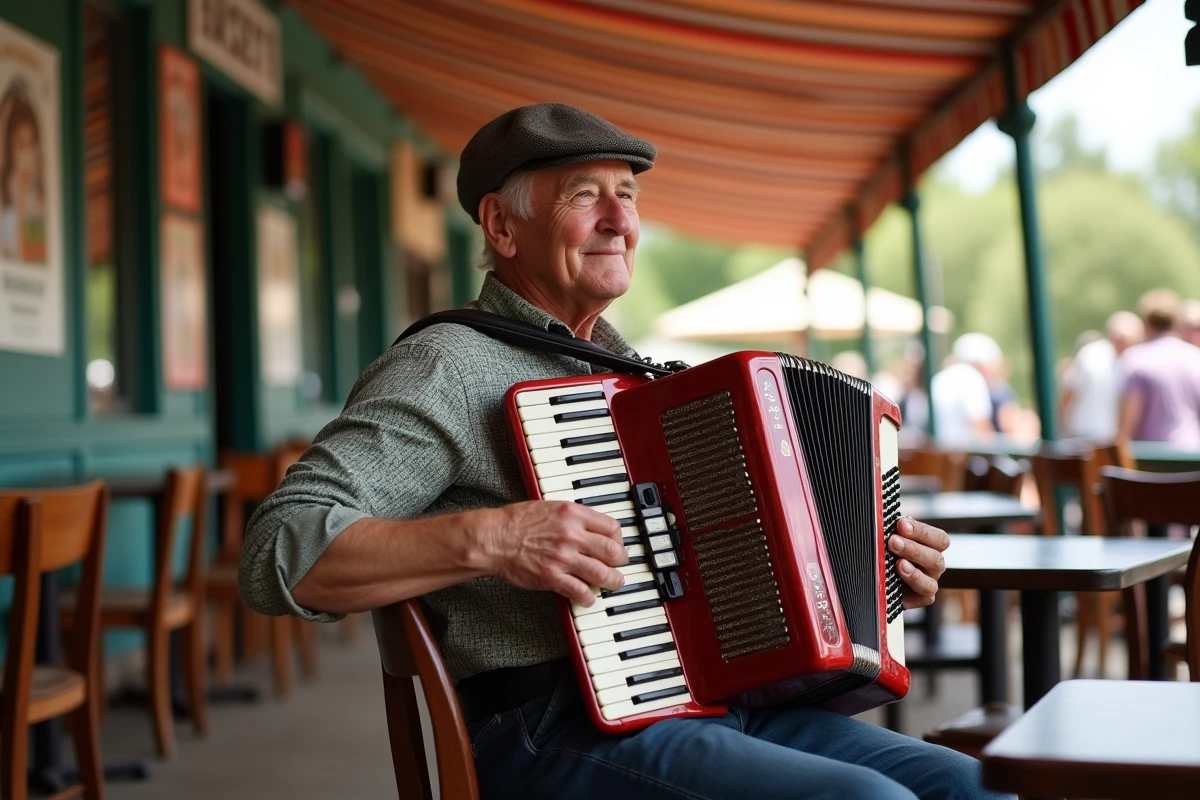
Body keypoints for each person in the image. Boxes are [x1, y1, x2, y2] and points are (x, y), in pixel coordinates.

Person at [241, 104, 1007, 800]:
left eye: (629, 195)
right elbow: (278, 550)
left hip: (714, 707)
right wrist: (494, 538)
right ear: (501, 228)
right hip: (549, 729)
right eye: (584, 196)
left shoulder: (627, 375)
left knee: (975, 787)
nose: (620, 221)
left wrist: (873, 570)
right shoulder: (447, 365)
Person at [1117, 289, 1200, 448]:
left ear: (1146, 323)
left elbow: (1127, 424)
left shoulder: (1135, 359)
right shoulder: (1196, 358)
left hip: (1150, 459)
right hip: (1193, 457)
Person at [1059, 312, 1142, 441]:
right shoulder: (1091, 354)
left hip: (1113, 440)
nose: (1121, 343)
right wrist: (1062, 426)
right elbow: (1069, 391)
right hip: (1081, 434)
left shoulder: (1137, 360)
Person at [930, 333, 999, 448]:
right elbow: (981, 430)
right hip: (961, 458)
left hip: (939, 455)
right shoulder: (971, 377)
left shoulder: (940, 377)